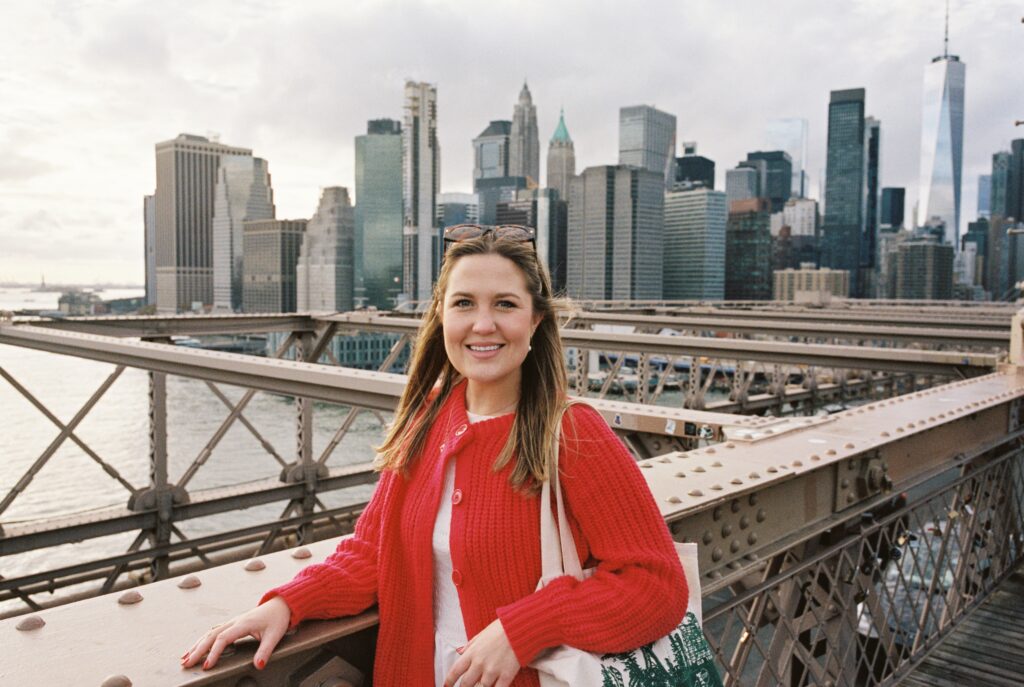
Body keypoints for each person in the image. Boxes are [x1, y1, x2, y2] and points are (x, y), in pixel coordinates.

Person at [181, 225, 689, 686]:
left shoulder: (574, 432)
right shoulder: (429, 418)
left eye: (505, 305)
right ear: (441, 315)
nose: (483, 324)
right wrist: (290, 604)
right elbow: (373, 553)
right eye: (464, 303)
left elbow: (657, 586)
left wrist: (523, 630)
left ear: (536, 321)